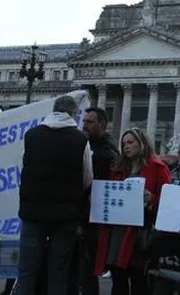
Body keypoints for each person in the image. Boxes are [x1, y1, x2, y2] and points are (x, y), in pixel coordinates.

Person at [17, 95, 93, 295]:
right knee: (58, 272)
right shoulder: (80, 139)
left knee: (26, 272)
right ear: (73, 113)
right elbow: (87, 179)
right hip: (65, 215)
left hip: (33, 212)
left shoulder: (31, 135)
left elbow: (23, 169)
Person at [94, 128, 171, 294]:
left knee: (139, 280)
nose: (126, 147)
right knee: (118, 278)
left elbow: (169, 202)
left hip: (141, 232)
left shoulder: (158, 168)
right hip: (118, 232)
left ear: (142, 143)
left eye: (130, 142)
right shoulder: (118, 169)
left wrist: (151, 199)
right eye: (123, 144)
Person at [71, 107, 120, 295]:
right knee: (76, 270)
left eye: (90, 122)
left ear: (103, 124)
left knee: (88, 270)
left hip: (94, 219)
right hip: (79, 215)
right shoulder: (81, 145)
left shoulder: (107, 153)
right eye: (84, 121)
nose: (84, 125)